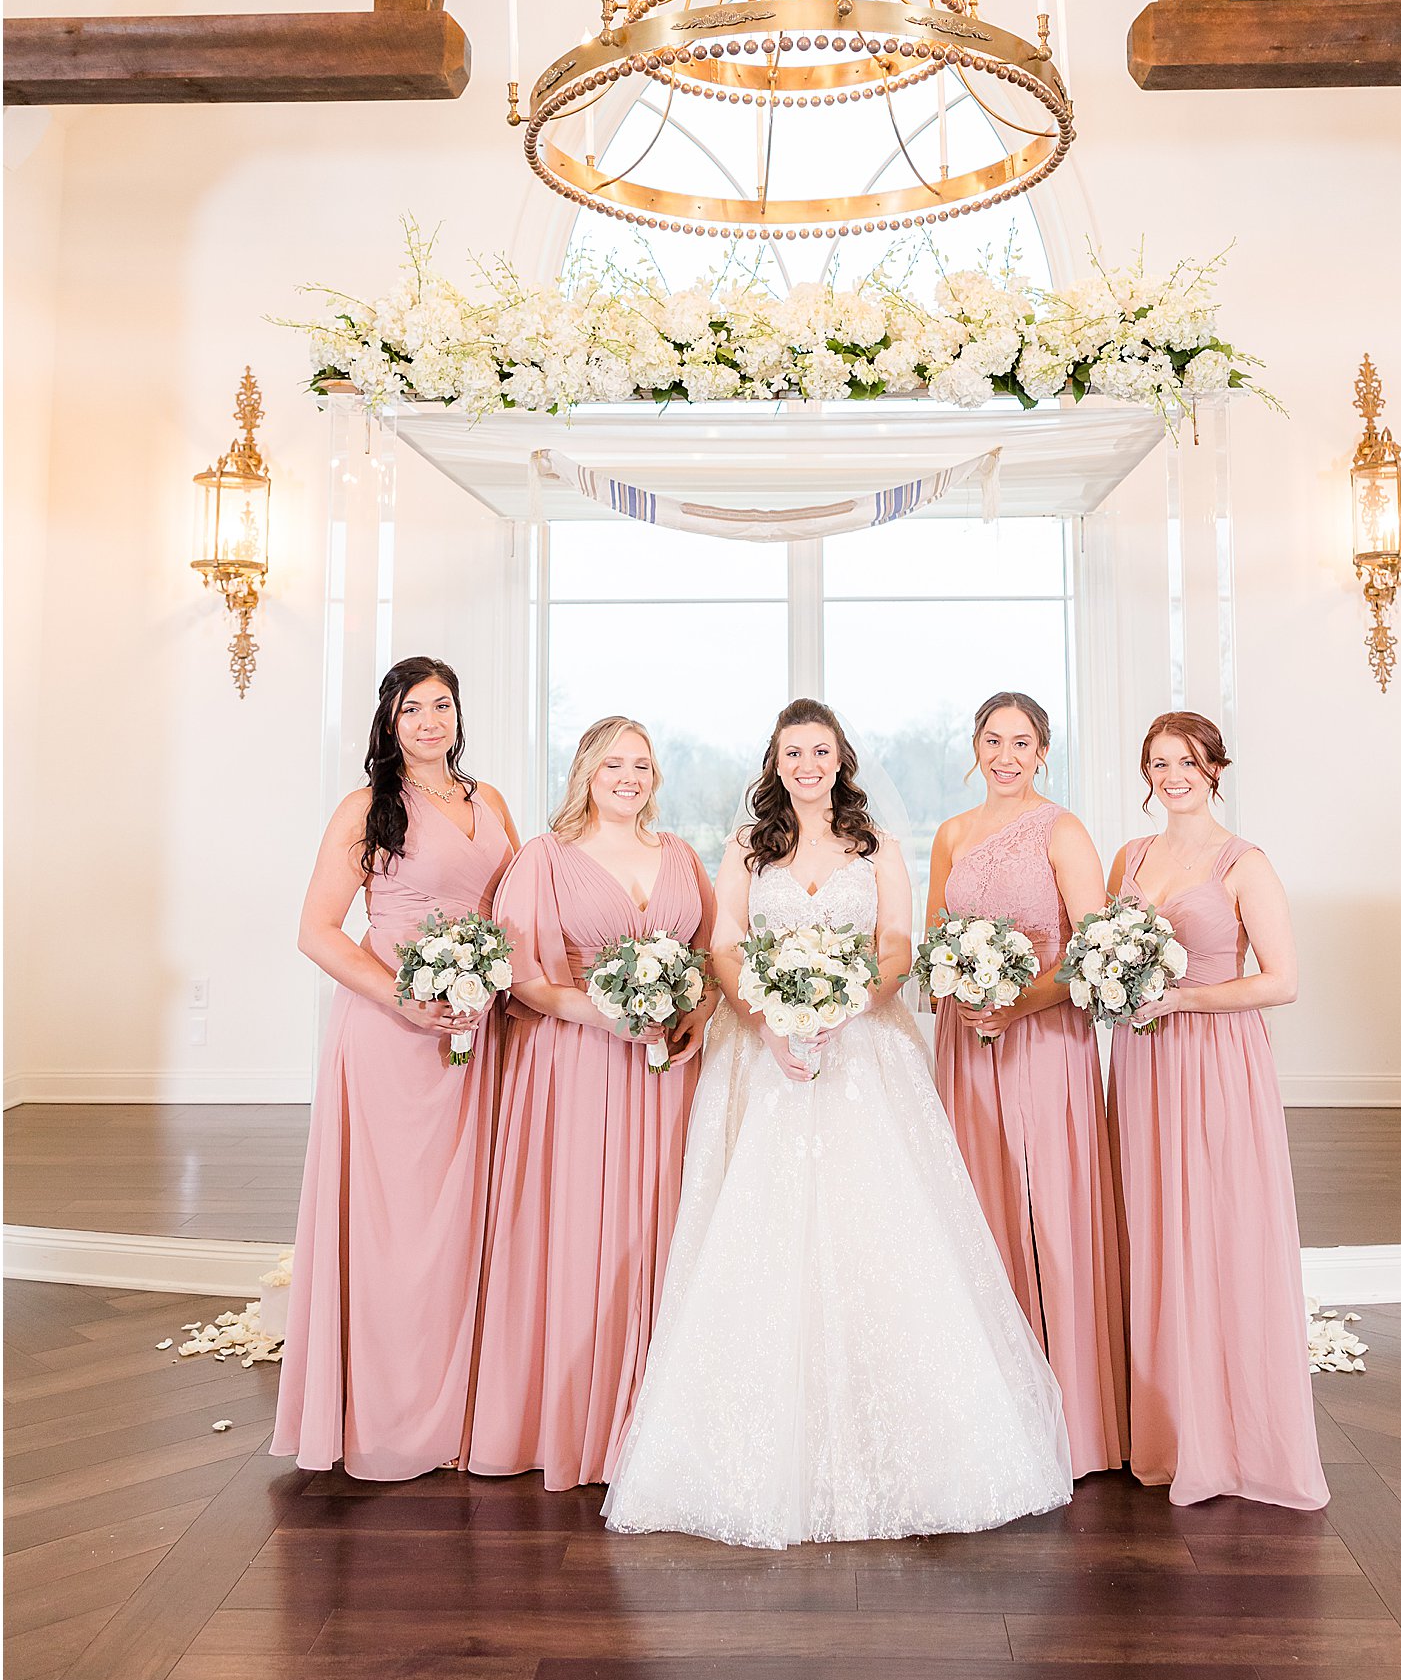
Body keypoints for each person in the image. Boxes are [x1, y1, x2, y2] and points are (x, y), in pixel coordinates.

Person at [603, 699, 1072, 1547]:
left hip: (867, 1053)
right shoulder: (749, 847)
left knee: (884, 1236)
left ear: (840, 757)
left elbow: (896, 944)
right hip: (763, 1053)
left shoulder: (878, 846)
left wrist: (842, 1006)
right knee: (761, 1235)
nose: (808, 763)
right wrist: (774, 1016)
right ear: (776, 761)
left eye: (821, 749)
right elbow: (727, 944)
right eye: (793, 750)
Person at [272, 657, 518, 1478]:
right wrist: (403, 1000)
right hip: (389, 1038)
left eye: (441, 705)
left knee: (461, 1222)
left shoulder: (491, 804)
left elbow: (512, 912)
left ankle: (460, 1403)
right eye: (411, 708)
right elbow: (318, 930)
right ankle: (384, 1407)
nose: (428, 721)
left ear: (458, 714)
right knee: (395, 1225)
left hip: (474, 1034)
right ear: (389, 721)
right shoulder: (366, 808)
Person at [465, 717, 715, 1489]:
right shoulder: (544, 858)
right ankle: (576, 1420)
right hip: (575, 1066)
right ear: (585, 771)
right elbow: (526, 977)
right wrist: (606, 1013)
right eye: (614, 763)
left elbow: (708, 957)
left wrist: (694, 1022)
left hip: (666, 1073)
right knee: (580, 1230)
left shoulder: (679, 855)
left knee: (662, 1229)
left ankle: (657, 1420)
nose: (629, 776)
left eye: (641, 764)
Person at [1107, 712, 1328, 1508]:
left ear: (1214, 768)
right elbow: (1106, 952)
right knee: (1154, 1226)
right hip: (1141, 1062)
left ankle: (1228, 1435)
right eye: (1159, 762)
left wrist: (1185, 998)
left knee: (1215, 1226)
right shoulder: (1129, 857)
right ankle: (1164, 1428)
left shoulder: (1245, 862)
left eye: (1187, 761)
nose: (1172, 775)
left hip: (1214, 1059)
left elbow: (1283, 979)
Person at [928, 691, 1128, 1479]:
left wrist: (1017, 1004)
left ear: (1043, 751)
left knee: (1050, 1203)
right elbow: (937, 934)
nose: (1004, 755)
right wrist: (963, 992)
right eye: (991, 739)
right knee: (977, 1207)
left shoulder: (1063, 829)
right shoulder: (950, 833)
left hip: (1043, 1036)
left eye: (1021, 742)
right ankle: (990, 1407)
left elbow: (1094, 948)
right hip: (965, 1040)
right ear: (974, 746)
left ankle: (1073, 1412)